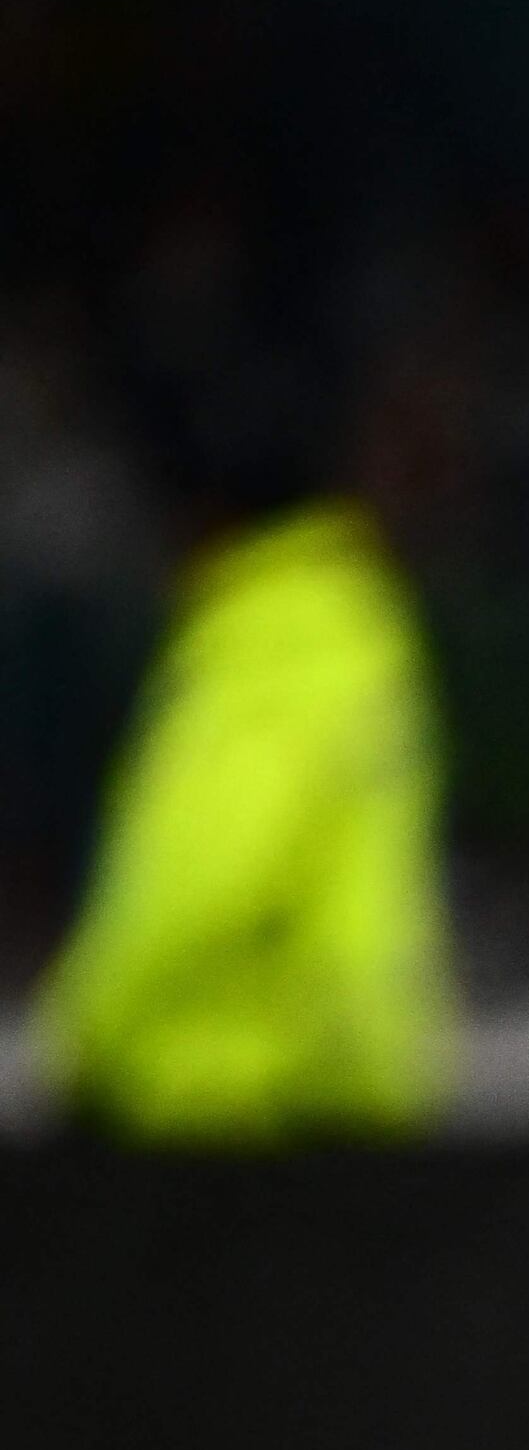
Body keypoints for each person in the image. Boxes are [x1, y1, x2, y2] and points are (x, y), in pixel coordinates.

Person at [36, 357, 454, 1144]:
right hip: (345, 1087)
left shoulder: (263, 645)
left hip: (229, 1100)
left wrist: (81, 1039)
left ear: (210, 518)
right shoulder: (353, 630)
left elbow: (201, 876)